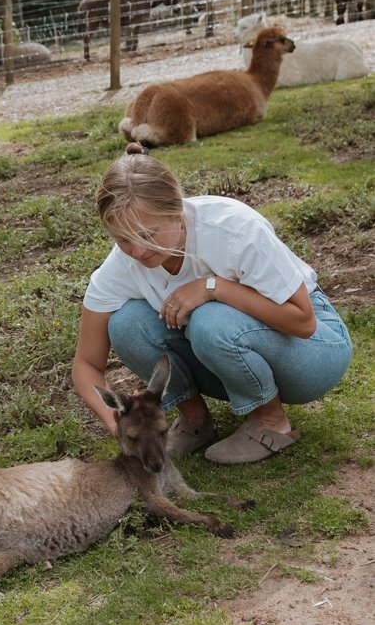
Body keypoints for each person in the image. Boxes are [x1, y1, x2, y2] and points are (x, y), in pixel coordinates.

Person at [72, 153, 353, 464]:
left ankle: (272, 423)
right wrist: (119, 424)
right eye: (124, 239)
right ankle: (194, 422)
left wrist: (214, 288)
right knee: (126, 324)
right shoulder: (122, 264)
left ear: (177, 211)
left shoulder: (231, 228)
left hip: (315, 352)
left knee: (209, 320)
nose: (137, 251)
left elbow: (303, 322)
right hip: (235, 352)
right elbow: (86, 363)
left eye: (149, 234)